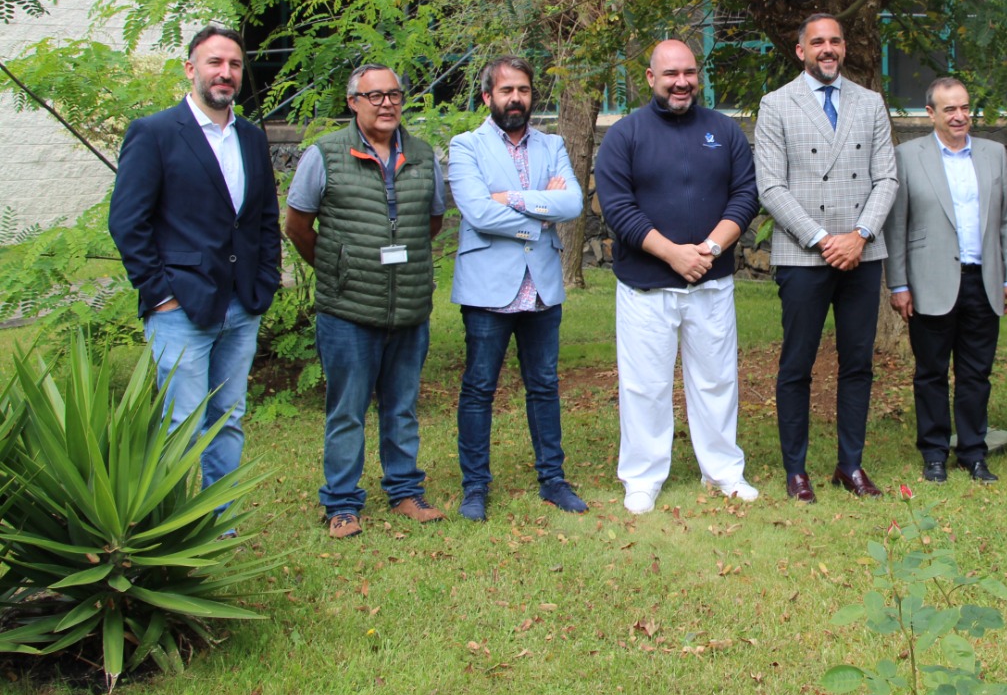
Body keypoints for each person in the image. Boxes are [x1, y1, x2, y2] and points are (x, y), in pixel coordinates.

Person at [108, 24, 281, 493]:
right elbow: (127, 222)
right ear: (191, 69)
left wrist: (266, 282)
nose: (225, 73)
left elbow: (264, 217)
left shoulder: (249, 137)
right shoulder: (155, 133)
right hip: (180, 307)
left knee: (228, 418)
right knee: (180, 424)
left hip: (242, 304)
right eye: (215, 63)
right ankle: (173, 529)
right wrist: (160, 294)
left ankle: (217, 520)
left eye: (234, 65)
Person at [593, 39, 761, 514]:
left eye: (689, 72)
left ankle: (724, 471)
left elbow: (745, 197)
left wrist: (707, 250)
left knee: (716, 381)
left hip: (711, 282)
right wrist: (672, 255)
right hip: (645, 287)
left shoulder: (724, 132)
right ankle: (642, 478)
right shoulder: (624, 136)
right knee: (644, 385)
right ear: (650, 78)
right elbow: (619, 210)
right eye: (670, 74)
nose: (681, 82)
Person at [284, 63, 448, 539]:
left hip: (409, 307)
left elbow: (432, 221)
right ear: (353, 102)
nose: (386, 104)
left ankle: (405, 492)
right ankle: (341, 503)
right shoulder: (326, 154)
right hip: (348, 311)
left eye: (394, 94)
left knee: (401, 407)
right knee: (347, 410)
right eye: (374, 96)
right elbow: (296, 225)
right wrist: (337, 269)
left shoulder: (421, 155)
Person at [753, 12, 899, 501]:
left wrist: (859, 234)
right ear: (801, 51)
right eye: (818, 42)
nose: (828, 49)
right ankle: (796, 470)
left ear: (844, 46)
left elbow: (887, 179)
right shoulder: (775, 105)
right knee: (797, 364)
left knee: (857, 363)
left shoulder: (870, 102)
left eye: (835, 40)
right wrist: (821, 238)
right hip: (802, 254)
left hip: (862, 250)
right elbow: (771, 186)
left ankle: (850, 465)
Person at [448, 55, 588, 519]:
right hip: (488, 290)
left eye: (523, 90)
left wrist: (512, 199)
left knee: (544, 386)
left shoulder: (552, 145)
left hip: (542, 288)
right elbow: (477, 212)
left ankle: (553, 480)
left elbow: (571, 203)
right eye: (506, 90)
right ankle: (475, 487)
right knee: (479, 388)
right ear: (487, 96)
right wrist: (536, 220)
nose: (516, 98)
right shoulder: (465, 146)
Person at [885, 76, 1007, 484]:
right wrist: (899, 284)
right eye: (950, 109)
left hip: (984, 280)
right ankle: (934, 454)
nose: (960, 116)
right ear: (931, 113)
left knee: (976, 373)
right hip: (930, 282)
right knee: (930, 373)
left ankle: (974, 453)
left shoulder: (994, 154)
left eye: (965, 107)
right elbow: (897, 225)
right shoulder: (908, 156)